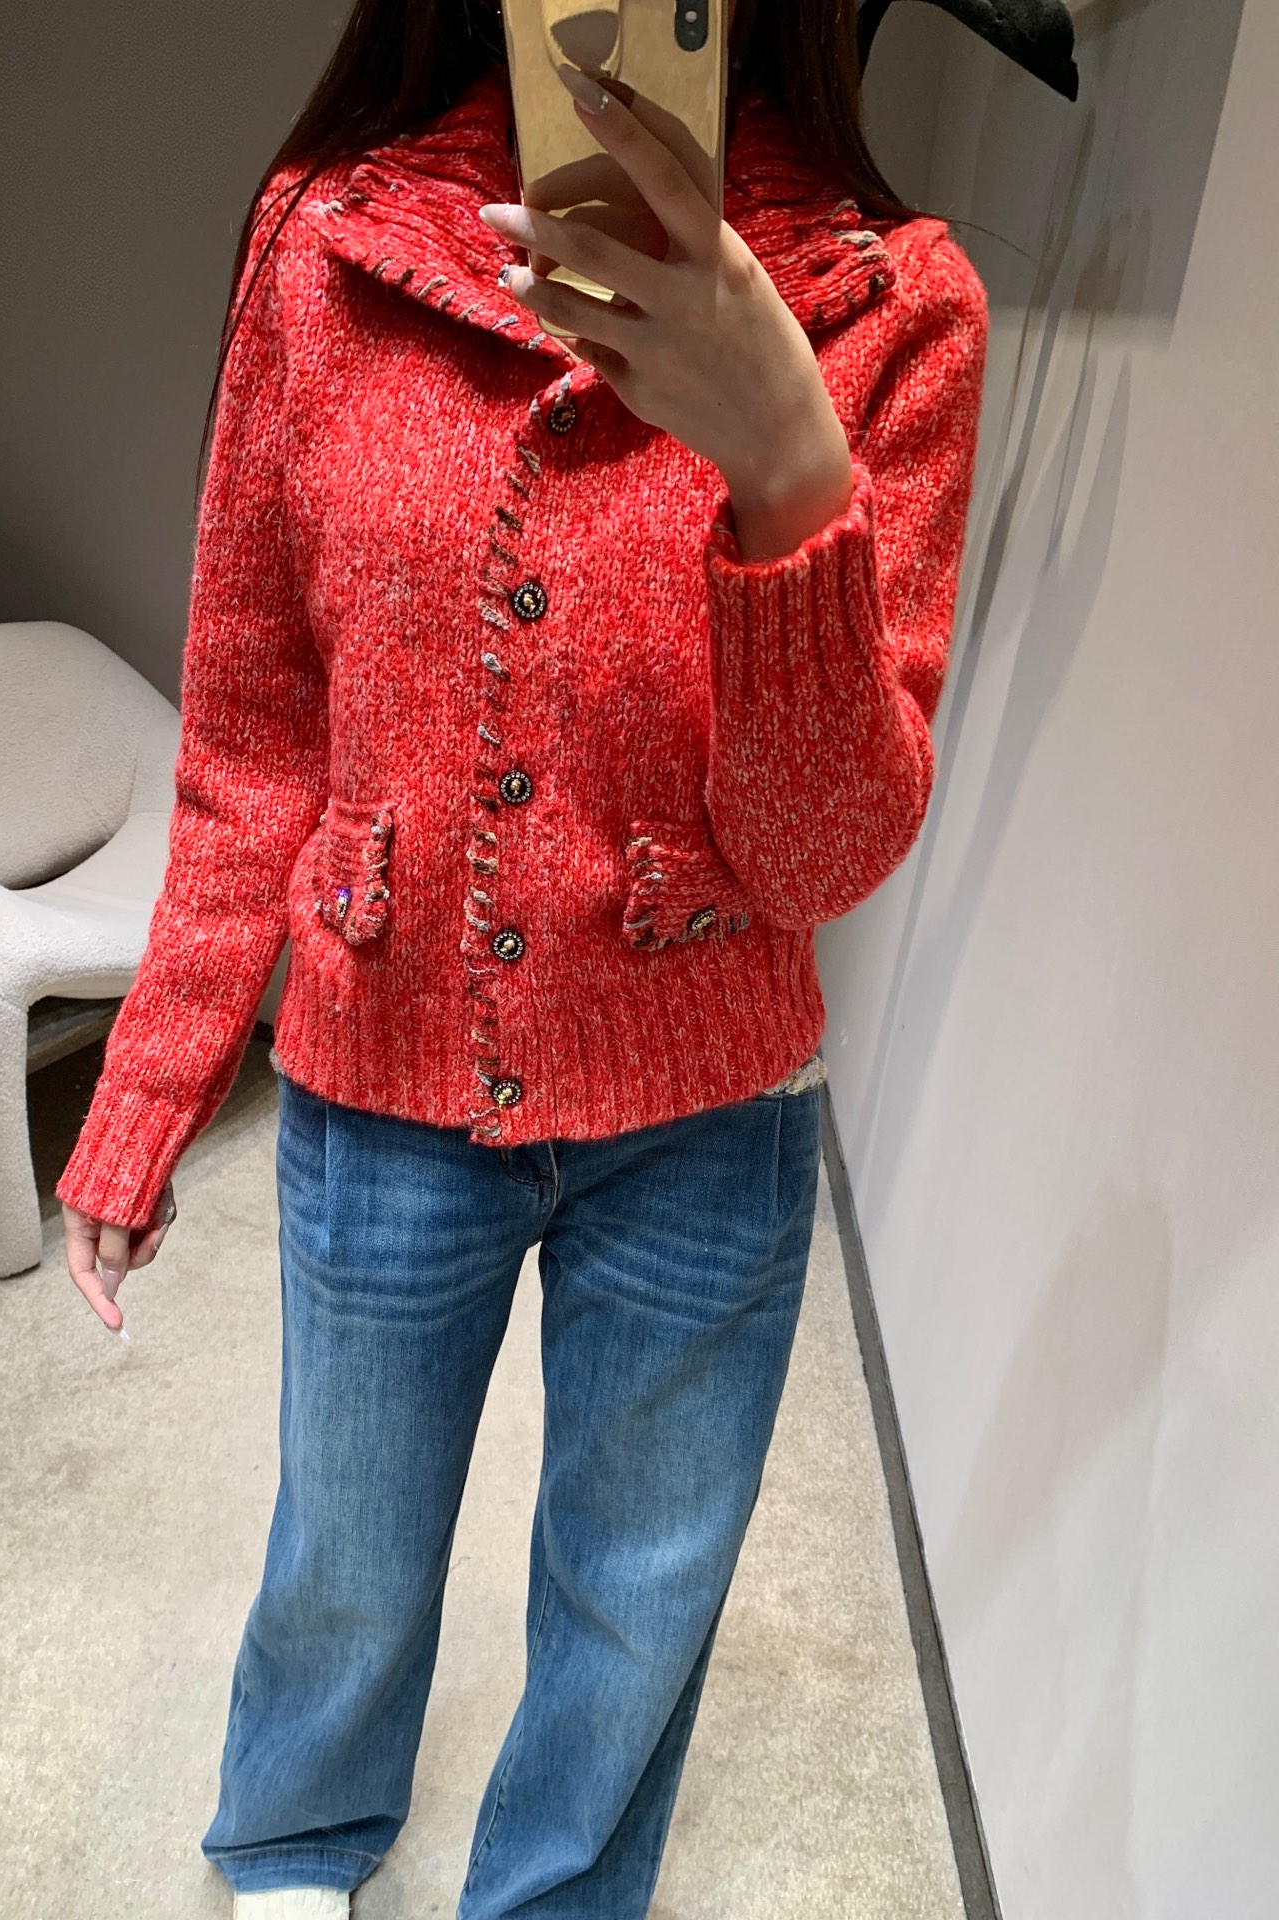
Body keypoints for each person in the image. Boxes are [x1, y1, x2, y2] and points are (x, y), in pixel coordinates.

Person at [56, 0, 988, 1912]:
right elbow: (252, 733)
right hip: (381, 1071)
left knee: (639, 1600)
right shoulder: (326, 243)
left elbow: (825, 855)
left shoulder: (894, 307)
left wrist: (787, 470)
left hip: (712, 1115)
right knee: (347, 1549)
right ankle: (295, 1849)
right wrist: (150, 1085)